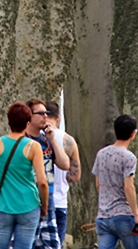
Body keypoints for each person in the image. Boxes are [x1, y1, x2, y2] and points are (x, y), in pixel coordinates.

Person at [0, 102, 49, 249]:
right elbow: (42, 182)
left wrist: (1, 175)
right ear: (28, 122)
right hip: (29, 205)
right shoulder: (33, 146)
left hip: (2, 206)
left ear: (9, 121)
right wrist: (44, 206)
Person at [92, 114, 138, 249]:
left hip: (103, 216)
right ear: (133, 133)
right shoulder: (129, 157)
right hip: (123, 215)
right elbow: (129, 188)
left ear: (115, 131)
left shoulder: (101, 154)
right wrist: (137, 215)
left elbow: (98, 185)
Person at [24, 98, 69, 249]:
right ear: (29, 116)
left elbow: (65, 164)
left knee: (52, 244)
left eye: (46, 113)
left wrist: (52, 140)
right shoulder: (22, 141)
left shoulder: (46, 140)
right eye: (41, 113)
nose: (45, 116)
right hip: (28, 201)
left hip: (48, 202)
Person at [45, 101, 80, 248]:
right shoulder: (69, 141)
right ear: (58, 118)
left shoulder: (34, 137)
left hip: (37, 202)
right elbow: (75, 176)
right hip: (59, 201)